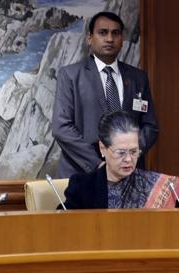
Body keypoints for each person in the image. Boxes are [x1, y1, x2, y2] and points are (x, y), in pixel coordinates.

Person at [52, 11, 158, 178]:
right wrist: (99, 164)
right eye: (103, 33)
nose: (109, 39)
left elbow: (150, 126)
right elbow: (62, 128)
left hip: (130, 175)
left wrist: (128, 155)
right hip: (83, 173)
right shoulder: (70, 76)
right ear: (89, 38)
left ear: (122, 40)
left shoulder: (138, 78)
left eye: (115, 33)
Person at [63, 111, 178, 209]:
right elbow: (63, 226)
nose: (128, 159)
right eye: (121, 153)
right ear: (103, 148)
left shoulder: (160, 186)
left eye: (133, 152)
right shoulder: (82, 186)